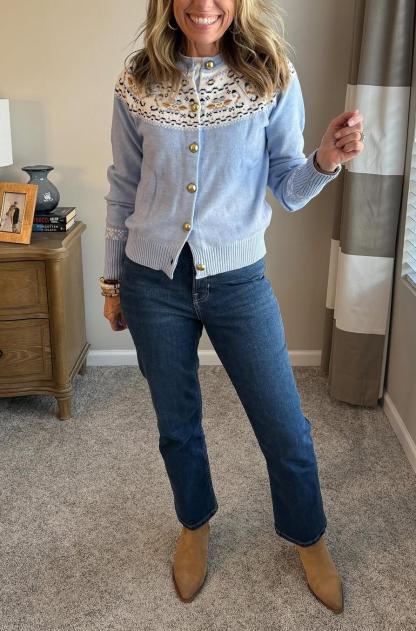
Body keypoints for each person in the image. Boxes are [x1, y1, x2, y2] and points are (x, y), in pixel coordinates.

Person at [100, 0, 364, 613]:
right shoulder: (137, 80)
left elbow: (288, 188)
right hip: (151, 279)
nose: (204, 4)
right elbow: (123, 186)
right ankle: (194, 525)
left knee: (284, 425)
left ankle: (308, 536)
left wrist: (325, 161)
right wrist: (113, 282)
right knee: (176, 424)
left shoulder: (271, 75)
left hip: (238, 279)